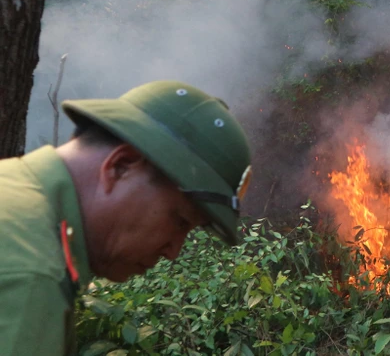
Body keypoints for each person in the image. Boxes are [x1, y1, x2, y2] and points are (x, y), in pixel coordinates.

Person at [0, 81, 252, 356]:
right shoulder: (34, 273)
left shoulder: (14, 191)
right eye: (179, 221)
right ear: (120, 166)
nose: (173, 252)